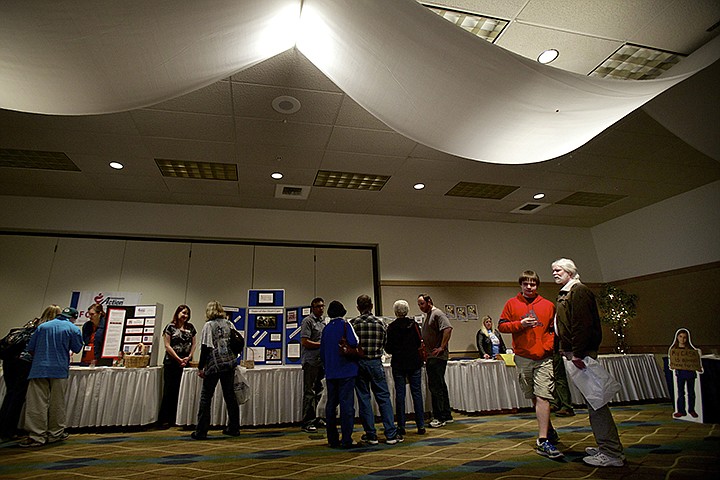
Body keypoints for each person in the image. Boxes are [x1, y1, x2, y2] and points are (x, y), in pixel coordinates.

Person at [552, 258, 625, 467]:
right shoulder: (568, 292)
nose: (555, 273)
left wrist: (577, 352)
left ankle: (611, 453)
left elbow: (582, 325)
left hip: (581, 354)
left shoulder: (579, 291)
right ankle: (606, 447)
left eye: (558, 270)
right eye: (553, 270)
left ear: (569, 271)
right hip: (575, 353)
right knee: (594, 402)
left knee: (597, 403)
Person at [498, 271, 562, 459]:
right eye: (525, 283)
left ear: (537, 285)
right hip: (523, 357)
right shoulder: (512, 304)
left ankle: (542, 440)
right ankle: (548, 428)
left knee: (543, 395)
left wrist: (548, 347)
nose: (529, 287)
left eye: (532, 284)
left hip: (544, 358)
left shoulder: (548, 305)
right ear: (520, 285)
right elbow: (502, 326)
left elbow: (553, 330)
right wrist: (520, 324)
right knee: (534, 395)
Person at [20, 306, 83, 447]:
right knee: (57, 403)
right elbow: (77, 348)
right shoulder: (73, 329)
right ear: (73, 318)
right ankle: (55, 434)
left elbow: (31, 348)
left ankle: (37, 436)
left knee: (36, 404)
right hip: (59, 370)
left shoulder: (42, 327)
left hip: (39, 369)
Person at [0, 304, 61, 441]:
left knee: (10, 395)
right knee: (18, 397)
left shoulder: (33, 323)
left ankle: (4, 428)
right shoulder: (47, 329)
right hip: (25, 363)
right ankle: (9, 431)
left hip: (10, 362)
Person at [351, 294, 402, 445]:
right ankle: (391, 434)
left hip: (359, 363)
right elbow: (386, 345)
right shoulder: (381, 324)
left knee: (364, 398)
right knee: (383, 398)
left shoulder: (353, 323)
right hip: (375, 362)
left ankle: (371, 435)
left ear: (358, 307)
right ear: (372, 306)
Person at [192, 301, 240, 440]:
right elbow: (236, 342)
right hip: (229, 364)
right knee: (230, 396)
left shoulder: (209, 325)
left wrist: (201, 367)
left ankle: (201, 431)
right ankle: (234, 427)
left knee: (206, 397)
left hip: (214, 365)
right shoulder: (229, 324)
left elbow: (206, 347)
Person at [320, 300, 359, 449]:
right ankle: (347, 439)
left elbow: (322, 352)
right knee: (347, 405)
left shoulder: (326, 328)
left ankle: (332, 438)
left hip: (331, 372)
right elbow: (354, 342)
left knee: (331, 405)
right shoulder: (346, 325)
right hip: (346, 370)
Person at [385, 299, 426, 435]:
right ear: (407, 310)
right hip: (414, 362)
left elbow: (389, 348)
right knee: (417, 393)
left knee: (400, 395)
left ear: (395, 312)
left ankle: (401, 426)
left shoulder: (391, 327)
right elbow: (419, 342)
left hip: (399, 363)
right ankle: (421, 425)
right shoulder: (414, 325)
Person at [157, 304, 197, 427]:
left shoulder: (190, 327)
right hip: (171, 363)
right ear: (178, 313)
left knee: (181, 391)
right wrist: (178, 358)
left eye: (187, 314)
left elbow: (195, 343)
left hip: (185, 363)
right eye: (183, 313)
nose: (185, 316)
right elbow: (167, 345)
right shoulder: (170, 327)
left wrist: (189, 357)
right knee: (169, 390)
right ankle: (164, 419)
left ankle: (177, 418)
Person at [417, 293, 453, 428]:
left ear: (429, 301)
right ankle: (446, 414)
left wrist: (441, 347)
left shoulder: (437, 314)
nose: (420, 307)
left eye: (422, 303)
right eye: (419, 304)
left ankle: (439, 417)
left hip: (437, 357)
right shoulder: (429, 316)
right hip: (432, 356)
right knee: (440, 386)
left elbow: (448, 329)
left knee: (436, 387)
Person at [300, 297, 326, 433]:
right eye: (318, 307)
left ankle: (317, 418)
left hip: (321, 361)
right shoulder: (307, 321)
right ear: (313, 308)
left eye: (322, 306)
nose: (321, 308)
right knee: (309, 392)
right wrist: (322, 344)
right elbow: (305, 341)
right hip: (310, 361)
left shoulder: (323, 322)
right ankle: (307, 421)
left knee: (319, 391)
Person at [669, 328, 702, 418]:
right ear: (677, 337)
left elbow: (695, 361)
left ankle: (691, 409)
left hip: (690, 373)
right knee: (680, 392)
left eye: (684, 337)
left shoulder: (690, 350)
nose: (682, 339)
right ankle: (681, 410)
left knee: (691, 392)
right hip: (680, 373)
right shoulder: (674, 349)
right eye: (680, 337)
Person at [550, 352, 575, 417]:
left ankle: (567, 406)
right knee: (551, 378)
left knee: (559, 379)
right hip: (546, 352)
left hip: (553, 350)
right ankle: (555, 403)